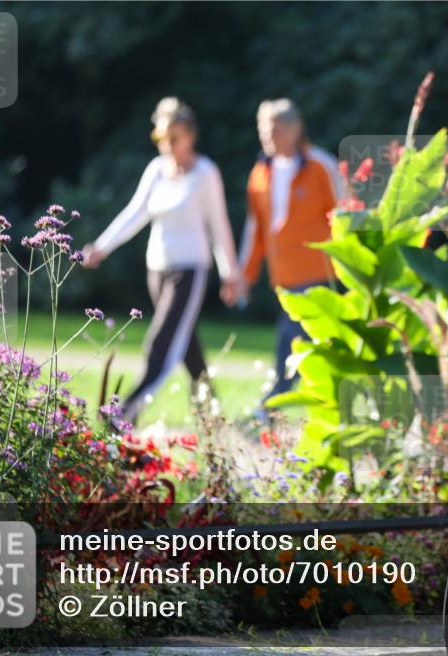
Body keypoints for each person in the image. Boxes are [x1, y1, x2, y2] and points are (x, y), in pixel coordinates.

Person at [82, 97, 242, 425]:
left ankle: (122, 417)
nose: (167, 145)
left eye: (174, 138)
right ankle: (214, 421)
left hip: (190, 273)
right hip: (157, 272)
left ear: (190, 135)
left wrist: (230, 273)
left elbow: (219, 225)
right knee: (187, 348)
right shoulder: (156, 170)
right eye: (160, 137)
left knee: (162, 343)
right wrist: (101, 247)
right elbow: (135, 213)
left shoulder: (205, 173)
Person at [228, 99, 342, 420]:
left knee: (290, 341)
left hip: (319, 275)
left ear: (295, 129)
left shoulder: (320, 166)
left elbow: (345, 216)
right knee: (306, 347)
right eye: (263, 130)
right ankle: (310, 411)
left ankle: (271, 407)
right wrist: (244, 276)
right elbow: (256, 230)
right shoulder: (260, 173)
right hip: (284, 278)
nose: (268, 136)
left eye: (275, 130)